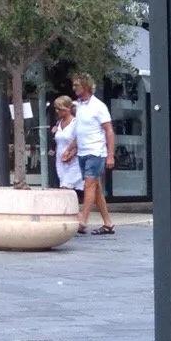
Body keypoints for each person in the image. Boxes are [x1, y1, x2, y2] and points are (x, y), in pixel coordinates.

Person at [70, 72, 116, 235]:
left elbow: (109, 130)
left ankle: (83, 220)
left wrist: (110, 154)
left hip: (96, 152)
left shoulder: (99, 106)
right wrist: (72, 148)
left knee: (89, 185)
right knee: (96, 188)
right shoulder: (79, 106)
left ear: (86, 87)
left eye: (77, 85)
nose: (74, 88)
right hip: (83, 152)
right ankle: (108, 223)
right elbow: (80, 130)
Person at [52, 95, 84, 229]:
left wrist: (72, 153)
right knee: (68, 190)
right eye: (57, 109)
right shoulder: (58, 124)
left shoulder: (76, 123)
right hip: (61, 161)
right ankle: (76, 218)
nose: (58, 112)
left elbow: (81, 140)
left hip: (73, 161)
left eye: (61, 109)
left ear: (68, 109)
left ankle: (74, 219)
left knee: (66, 189)